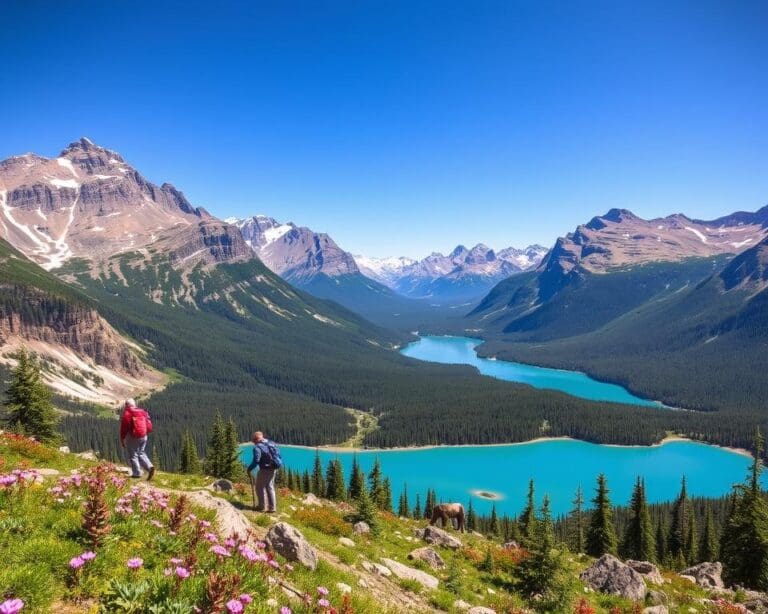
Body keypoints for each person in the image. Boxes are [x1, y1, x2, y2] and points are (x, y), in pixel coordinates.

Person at [119, 398, 155, 481]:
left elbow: (124, 429)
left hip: (133, 437)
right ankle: (149, 467)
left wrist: (122, 439)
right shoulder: (143, 412)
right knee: (141, 452)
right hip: (144, 436)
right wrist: (145, 433)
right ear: (134, 404)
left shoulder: (127, 414)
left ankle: (136, 473)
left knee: (133, 454)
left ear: (126, 405)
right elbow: (149, 426)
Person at [247, 431, 282, 512]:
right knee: (270, 487)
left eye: (253, 440)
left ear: (255, 439)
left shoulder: (257, 447)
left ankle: (261, 507)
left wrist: (249, 469)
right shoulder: (271, 443)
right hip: (274, 467)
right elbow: (278, 454)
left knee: (259, 487)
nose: (253, 442)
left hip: (265, 469)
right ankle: (272, 508)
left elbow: (256, 460)